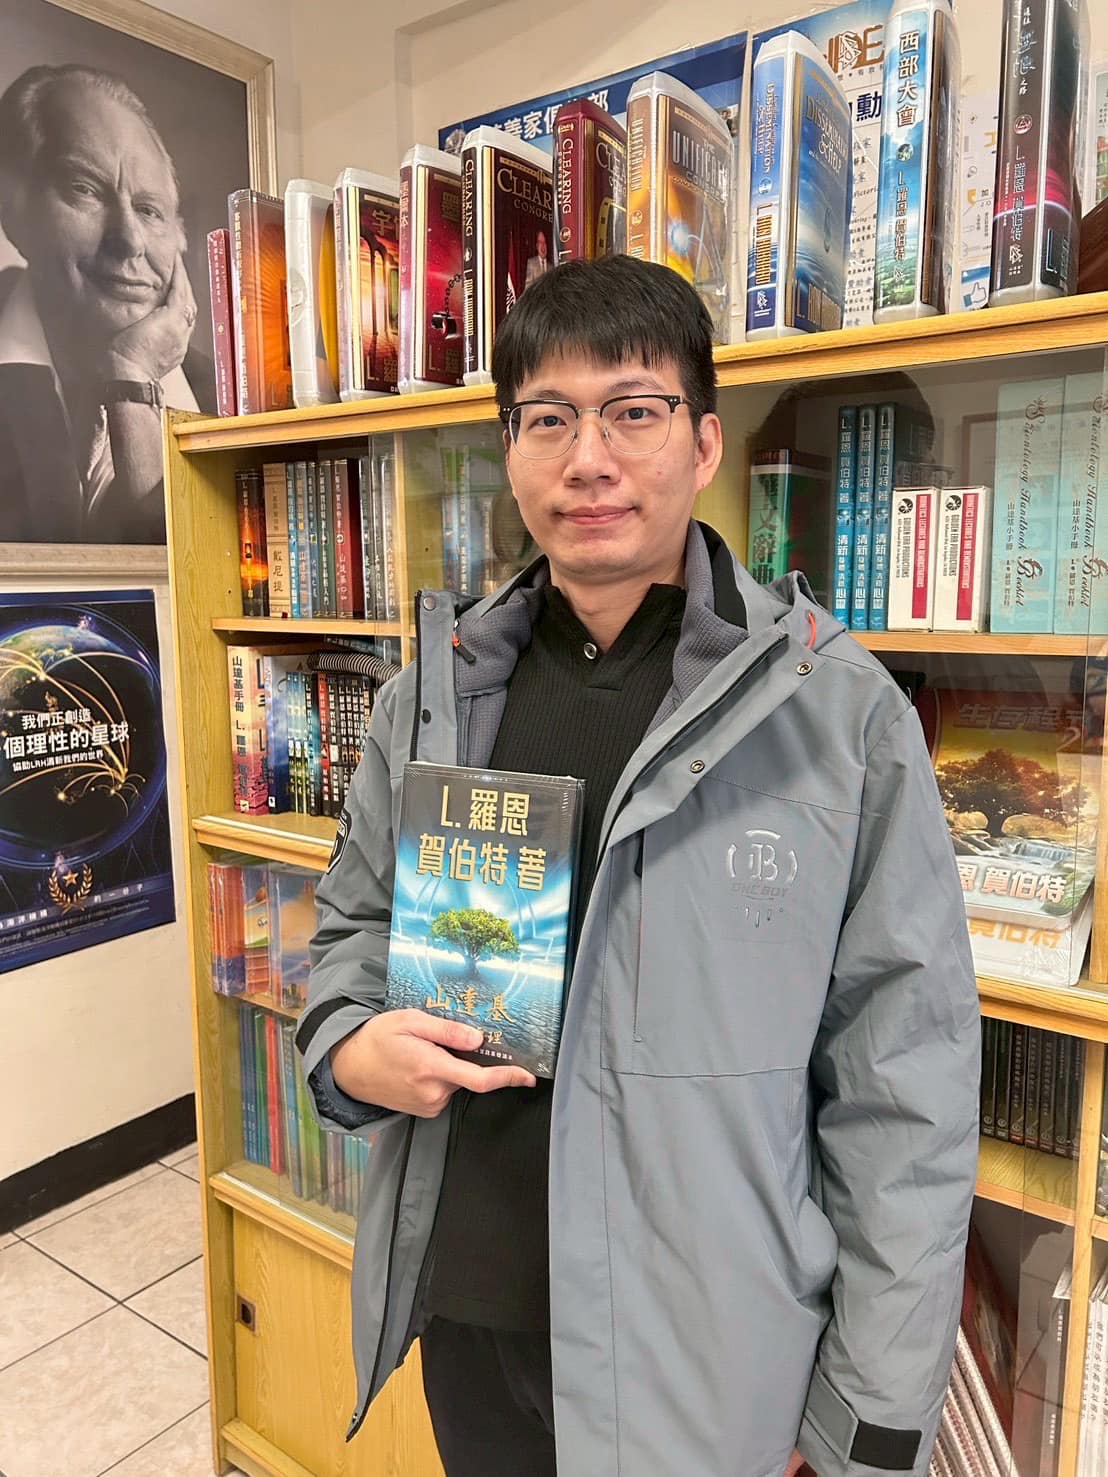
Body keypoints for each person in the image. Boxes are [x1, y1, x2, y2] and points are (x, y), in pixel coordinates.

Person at [299, 254, 981, 1477]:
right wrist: (350, 1044)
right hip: (473, 1319)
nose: (588, 460)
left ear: (705, 443)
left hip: (708, 1358)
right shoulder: (433, 699)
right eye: (547, 419)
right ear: (510, 449)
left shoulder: (837, 713)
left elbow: (905, 1090)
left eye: (632, 411)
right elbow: (351, 926)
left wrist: (860, 1414)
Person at [0, 64, 211, 544]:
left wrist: (131, 375)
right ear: (14, 214)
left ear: (179, 239)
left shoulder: (229, 403)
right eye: (86, 189)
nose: (129, 240)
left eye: (149, 210)